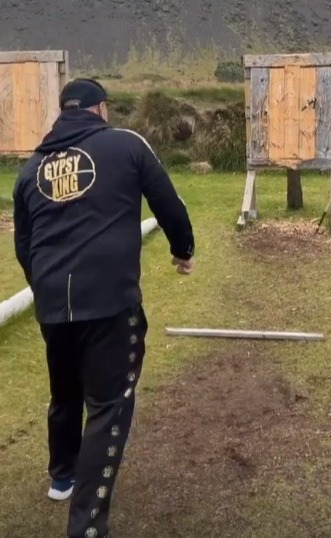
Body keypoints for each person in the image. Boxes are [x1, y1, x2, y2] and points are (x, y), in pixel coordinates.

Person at [12, 78, 195, 538]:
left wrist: (45, 287)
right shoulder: (126, 145)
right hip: (111, 302)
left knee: (66, 388)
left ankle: (63, 474)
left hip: (54, 301)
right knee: (109, 406)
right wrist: (183, 248)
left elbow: (24, 243)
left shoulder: (31, 168)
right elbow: (167, 200)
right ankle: (87, 526)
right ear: (100, 110)